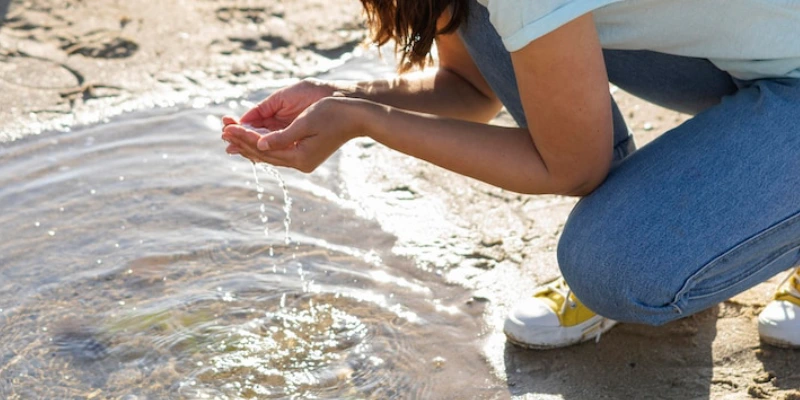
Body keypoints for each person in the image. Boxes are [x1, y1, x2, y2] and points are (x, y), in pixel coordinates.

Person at [221, 0, 800, 349]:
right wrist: (340, 95)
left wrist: (365, 120)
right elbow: (471, 89)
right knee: (490, 16)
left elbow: (573, 167)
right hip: (761, 45)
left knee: (614, 263)